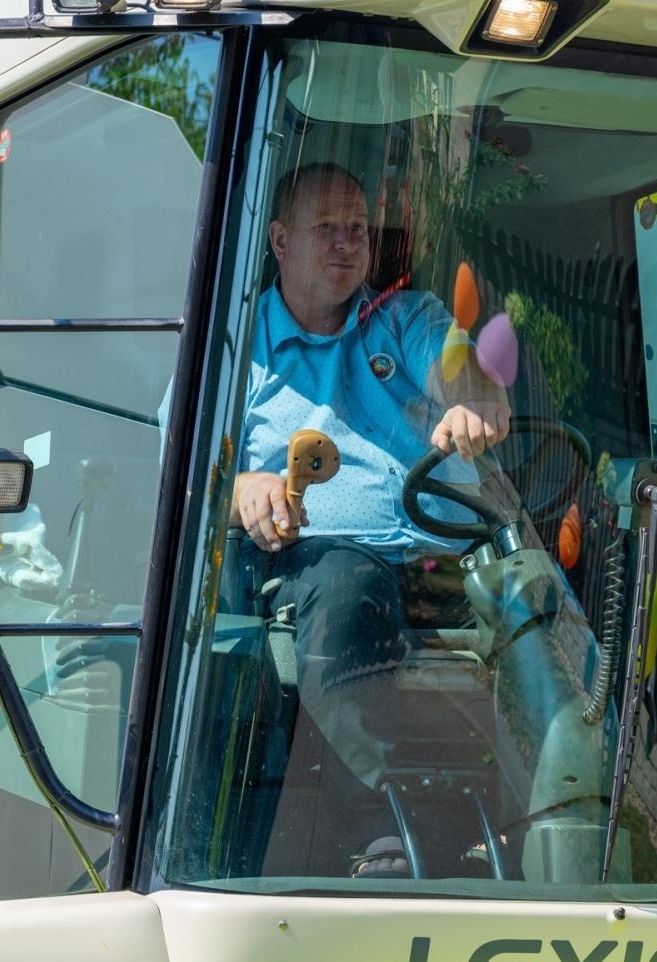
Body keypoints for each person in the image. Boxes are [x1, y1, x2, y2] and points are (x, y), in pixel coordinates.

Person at [230, 162, 511, 875]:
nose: (346, 245)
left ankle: (576, 824)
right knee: (348, 585)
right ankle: (376, 828)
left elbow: (458, 364)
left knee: (551, 612)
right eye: (326, 229)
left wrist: (475, 399)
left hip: (449, 558)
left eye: (357, 230)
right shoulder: (234, 348)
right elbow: (183, 474)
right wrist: (243, 488)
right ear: (279, 239)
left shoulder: (404, 318)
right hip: (323, 565)